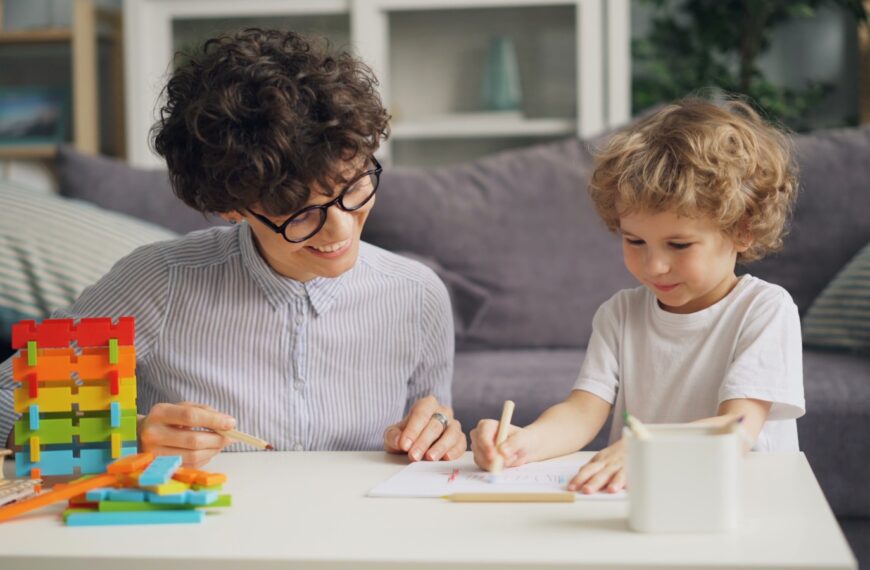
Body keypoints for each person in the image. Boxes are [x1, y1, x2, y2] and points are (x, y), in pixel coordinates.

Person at [0, 28, 466, 467]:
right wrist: (126, 438)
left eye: (354, 186)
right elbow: (6, 411)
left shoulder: (418, 294)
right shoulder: (159, 283)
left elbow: (429, 435)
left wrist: (441, 433)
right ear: (232, 207)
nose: (339, 229)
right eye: (298, 211)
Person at [470, 98, 805, 493]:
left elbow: (739, 426)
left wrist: (645, 447)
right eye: (635, 241)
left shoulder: (764, 310)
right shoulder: (620, 314)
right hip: (648, 495)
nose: (654, 266)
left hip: (737, 500)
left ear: (743, 230)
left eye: (679, 245)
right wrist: (522, 444)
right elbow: (581, 413)